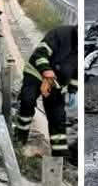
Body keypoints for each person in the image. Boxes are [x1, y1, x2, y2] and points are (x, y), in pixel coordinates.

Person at [13, 25, 77, 158]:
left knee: (57, 117)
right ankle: (19, 140)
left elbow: (75, 72)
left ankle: (60, 154)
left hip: (56, 83)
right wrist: (46, 71)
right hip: (36, 72)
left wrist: (72, 89)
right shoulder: (59, 34)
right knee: (27, 101)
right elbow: (39, 53)